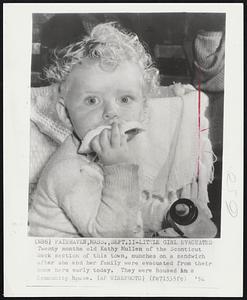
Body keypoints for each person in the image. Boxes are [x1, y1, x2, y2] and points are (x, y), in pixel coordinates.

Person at [28, 22, 214, 238]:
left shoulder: (101, 155)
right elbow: (114, 237)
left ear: (144, 109)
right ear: (64, 113)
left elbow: (130, 205)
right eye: (92, 100)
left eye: (125, 99)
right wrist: (119, 168)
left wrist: (167, 214)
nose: (111, 112)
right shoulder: (68, 170)